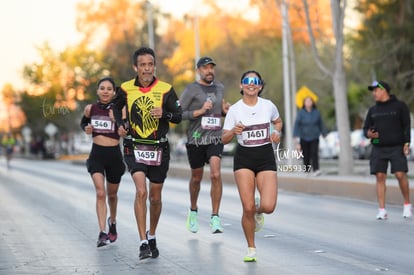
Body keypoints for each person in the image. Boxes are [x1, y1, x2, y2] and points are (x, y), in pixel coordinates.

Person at [112, 47, 182, 260]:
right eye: (142, 65)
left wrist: (165, 113)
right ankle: (143, 242)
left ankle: (152, 234)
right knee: (141, 191)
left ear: (154, 66)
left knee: (155, 197)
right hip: (134, 147)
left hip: (159, 148)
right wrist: (121, 124)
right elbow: (115, 108)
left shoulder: (166, 89)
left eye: (150, 64)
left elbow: (178, 116)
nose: (146, 68)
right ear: (136, 67)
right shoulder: (125, 89)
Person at [221, 70, 282, 262]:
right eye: (247, 81)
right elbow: (223, 139)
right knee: (246, 208)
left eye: (255, 81)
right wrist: (233, 131)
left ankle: (258, 209)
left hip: (265, 157)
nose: (251, 84)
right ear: (241, 86)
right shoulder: (235, 110)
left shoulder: (268, 106)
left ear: (260, 86)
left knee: (268, 206)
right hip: (244, 158)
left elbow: (278, 122)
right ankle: (251, 248)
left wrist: (277, 133)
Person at [179, 57, 230, 234]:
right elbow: (178, 114)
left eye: (211, 68)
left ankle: (215, 217)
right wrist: (199, 112)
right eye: (205, 68)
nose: (209, 71)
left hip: (215, 138)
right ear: (198, 70)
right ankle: (193, 211)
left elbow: (218, 111)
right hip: (196, 139)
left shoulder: (220, 88)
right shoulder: (191, 89)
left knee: (216, 174)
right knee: (196, 178)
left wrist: (224, 111)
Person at [80, 77, 126, 247]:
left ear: (114, 92)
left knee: (112, 195)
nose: (105, 91)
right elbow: (83, 122)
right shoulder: (90, 108)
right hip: (97, 155)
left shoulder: (120, 110)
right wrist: (86, 128)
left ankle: (112, 222)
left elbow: (125, 129)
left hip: (114, 155)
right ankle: (102, 232)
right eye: (102, 88)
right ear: (98, 91)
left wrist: (120, 125)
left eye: (109, 88)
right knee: (101, 193)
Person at [363, 80, 412, 220]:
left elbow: (406, 126)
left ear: (384, 90)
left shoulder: (400, 106)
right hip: (378, 146)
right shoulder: (372, 110)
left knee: (399, 174)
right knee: (379, 176)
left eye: (376, 90)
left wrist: (407, 143)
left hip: (396, 146)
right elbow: (366, 129)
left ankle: (407, 205)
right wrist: (369, 134)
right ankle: (382, 210)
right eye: (373, 90)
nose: (374, 93)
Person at [293, 96, 327, 176]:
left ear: (312, 103)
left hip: (314, 136)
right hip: (304, 137)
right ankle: (307, 170)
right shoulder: (301, 113)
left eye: (310, 101)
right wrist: (296, 138)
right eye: (307, 101)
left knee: (314, 153)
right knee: (306, 154)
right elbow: (297, 125)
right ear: (304, 103)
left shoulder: (316, 113)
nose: (308, 103)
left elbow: (321, 124)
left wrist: (324, 134)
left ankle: (316, 169)